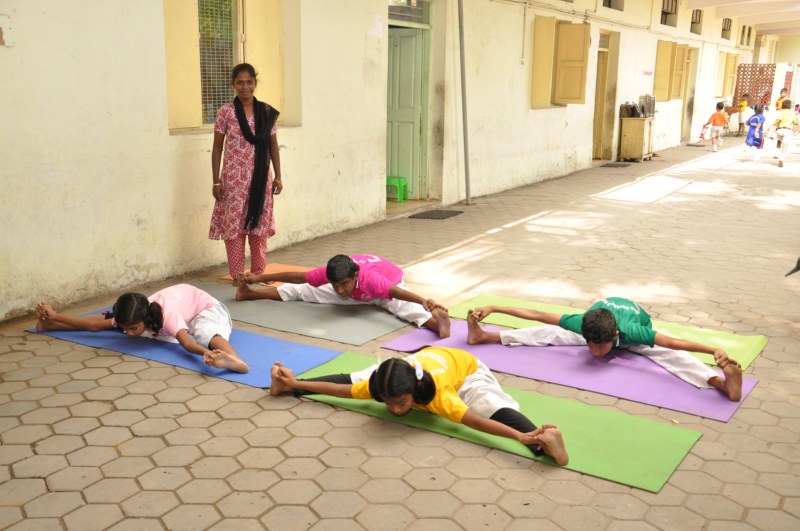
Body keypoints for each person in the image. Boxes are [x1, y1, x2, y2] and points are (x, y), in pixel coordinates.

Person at [269, 346, 569, 465]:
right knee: (359, 376)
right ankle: (288, 384)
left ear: (414, 391)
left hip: (466, 370)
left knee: (488, 403)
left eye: (400, 403)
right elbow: (342, 389)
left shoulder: (439, 395)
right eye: (388, 402)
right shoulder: (385, 383)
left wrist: (520, 436)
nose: (394, 410)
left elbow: (475, 422)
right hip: (416, 361)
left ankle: (542, 441)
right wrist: (296, 384)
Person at [465, 297, 743, 401]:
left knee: (671, 355)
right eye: (591, 345)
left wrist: (712, 349)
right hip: (600, 319)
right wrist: (494, 307)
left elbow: (673, 342)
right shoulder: (580, 323)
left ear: (615, 336)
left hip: (632, 328)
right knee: (550, 331)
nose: (595, 352)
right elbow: (536, 314)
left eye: (601, 347)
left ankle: (722, 383)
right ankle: (485, 336)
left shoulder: (633, 331)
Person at [35, 284, 249, 373]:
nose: (129, 333)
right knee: (108, 325)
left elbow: (186, 343)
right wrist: (56, 317)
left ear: (145, 318)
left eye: (133, 328)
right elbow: (93, 325)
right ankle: (50, 326)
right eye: (126, 328)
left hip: (204, 307)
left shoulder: (168, 316)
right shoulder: (135, 314)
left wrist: (206, 353)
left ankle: (235, 360)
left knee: (203, 332)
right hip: (179, 308)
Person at [235, 254, 451, 338]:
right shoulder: (334, 276)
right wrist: (259, 277)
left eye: (343, 285)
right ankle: (250, 294)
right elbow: (296, 277)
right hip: (358, 292)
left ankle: (439, 325)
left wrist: (423, 300)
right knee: (302, 290)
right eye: (335, 285)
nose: (339, 290)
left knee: (404, 308)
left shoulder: (371, 279)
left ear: (355, 275)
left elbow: (395, 291)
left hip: (386, 286)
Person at [210, 63, 282, 279]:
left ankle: (258, 274)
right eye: (240, 82)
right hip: (233, 181)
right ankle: (238, 276)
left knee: (258, 229)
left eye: (249, 82)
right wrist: (216, 181)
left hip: (261, 179)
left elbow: (273, 145)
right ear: (233, 84)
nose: (245, 87)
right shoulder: (226, 112)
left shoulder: (266, 112)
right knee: (234, 229)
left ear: (255, 83)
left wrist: (278, 176)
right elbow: (217, 147)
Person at [769, 99, 799, 168]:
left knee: (779, 141)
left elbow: (778, 120)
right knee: (785, 145)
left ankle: (777, 153)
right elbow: (796, 122)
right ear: (790, 106)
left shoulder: (781, 112)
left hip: (779, 130)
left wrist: (771, 126)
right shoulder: (792, 113)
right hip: (788, 130)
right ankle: (781, 158)